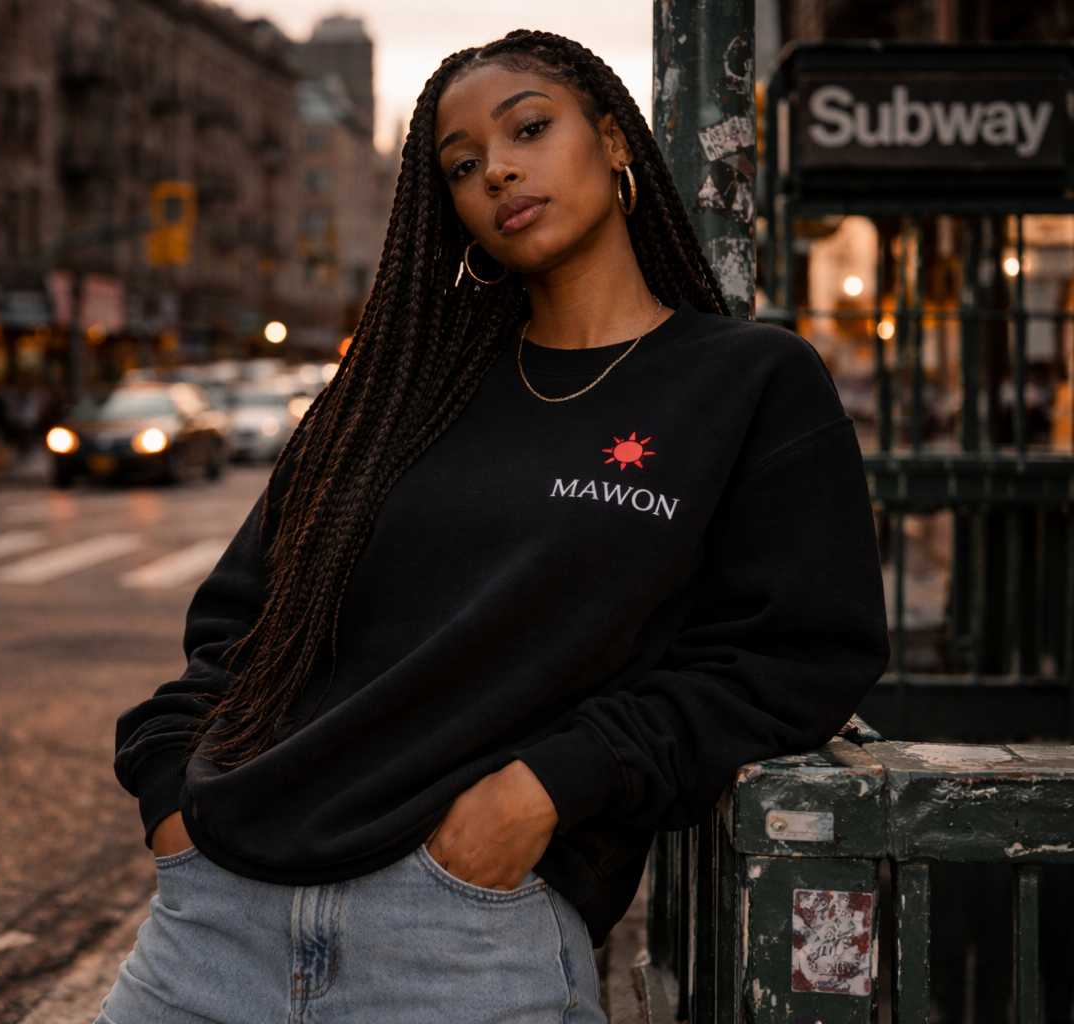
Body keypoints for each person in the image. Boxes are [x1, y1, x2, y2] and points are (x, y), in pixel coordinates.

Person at [102, 30, 889, 1024]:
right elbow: (236, 624)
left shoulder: (745, 381)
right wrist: (172, 796)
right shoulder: (395, 393)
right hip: (217, 928)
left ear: (614, 139)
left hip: (465, 936)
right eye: (462, 165)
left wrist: (550, 785)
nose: (498, 172)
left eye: (529, 129)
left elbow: (799, 654)